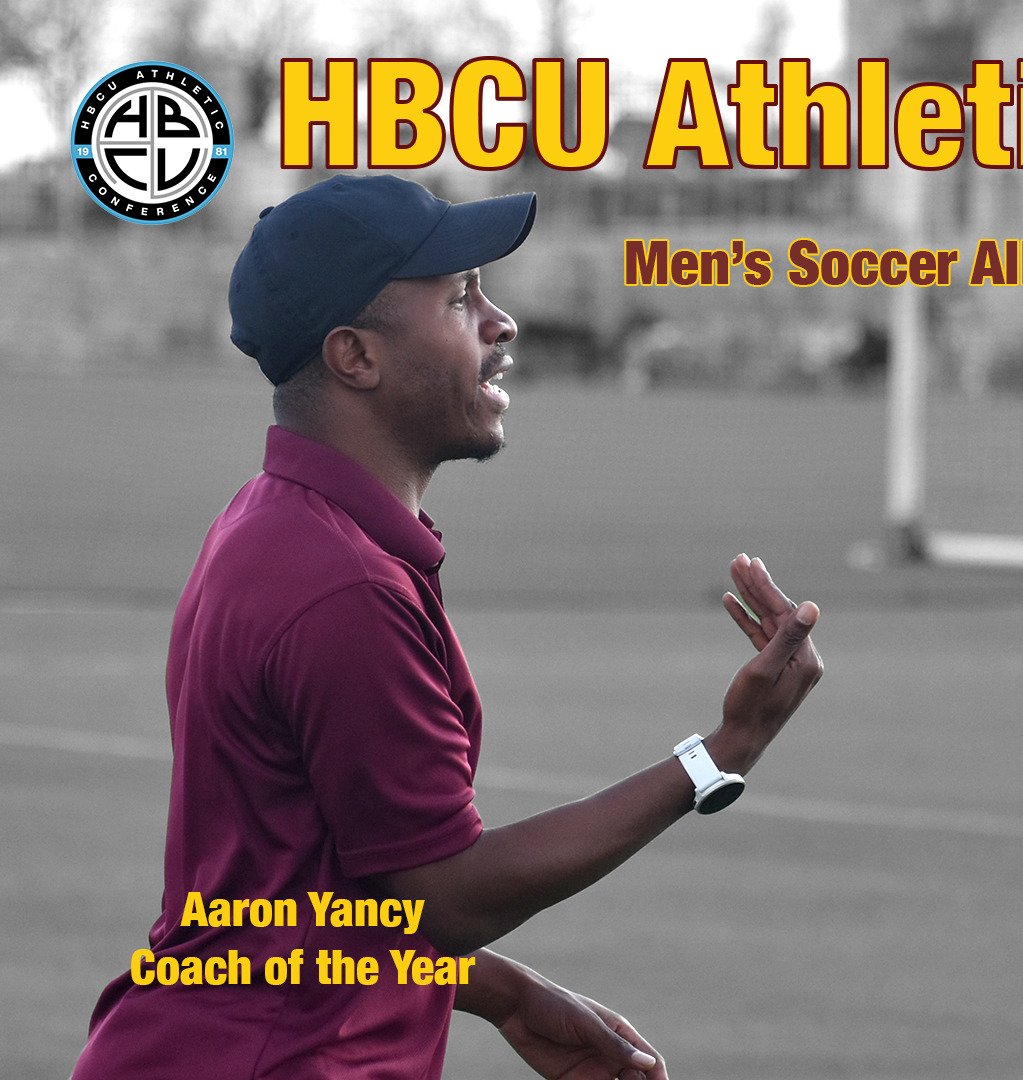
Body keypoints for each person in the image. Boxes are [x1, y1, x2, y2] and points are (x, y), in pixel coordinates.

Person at [72, 174, 824, 1079]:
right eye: (461, 297)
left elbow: (296, 903)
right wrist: (723, 751)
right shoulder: (339, 585)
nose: (500, 322)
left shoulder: (281, 523)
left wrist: (502, 992)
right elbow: (442, 898)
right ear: (355, 357)